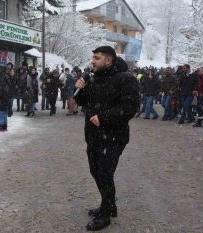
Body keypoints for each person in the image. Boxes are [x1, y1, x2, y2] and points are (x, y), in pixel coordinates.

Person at [74, 46, 140, 231]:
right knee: (96, 172)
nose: (92, 61)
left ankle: (106, 214)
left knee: (104, 174)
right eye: (92, 57)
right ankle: (109, 206)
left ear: (108, 60)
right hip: (94, 136)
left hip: (113, 137)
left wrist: (103, 118)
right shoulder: (95, 78)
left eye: (97, 58)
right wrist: (80, 90)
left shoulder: (125, 79)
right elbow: (85, 102)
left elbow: (130, 107)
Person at [0, 66, 10, 131]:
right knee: (4, 112)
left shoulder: (1, 77)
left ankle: (2, 126)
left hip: (2, 97)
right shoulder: (7, 77)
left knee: (1, 112)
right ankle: (5, 126)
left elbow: (0, 89)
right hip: (6, 97)